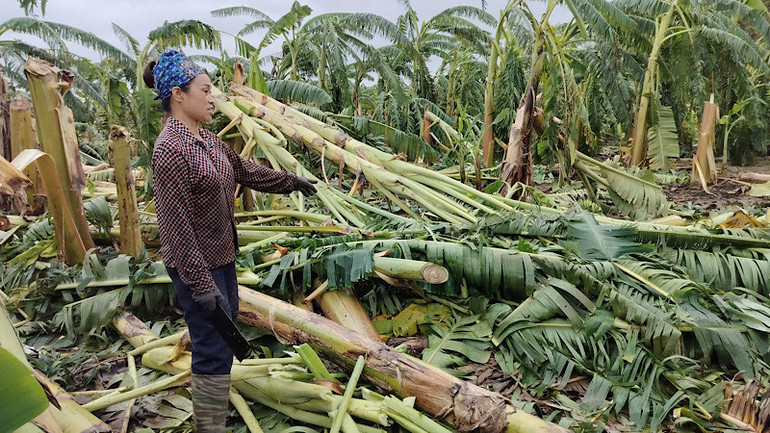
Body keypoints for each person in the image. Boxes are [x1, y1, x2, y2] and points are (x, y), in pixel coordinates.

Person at [145, 49, 317, 432]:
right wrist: (203, 288)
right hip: (197, 270)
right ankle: (209, 427)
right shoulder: (170, 150)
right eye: (205, 90)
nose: (212, 97)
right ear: (178, 95)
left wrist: (292, 182)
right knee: (211, 349)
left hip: (221, 259)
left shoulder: (207, 141)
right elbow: (176, 229)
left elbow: (246, 170)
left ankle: (212, 421)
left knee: (223, 345)